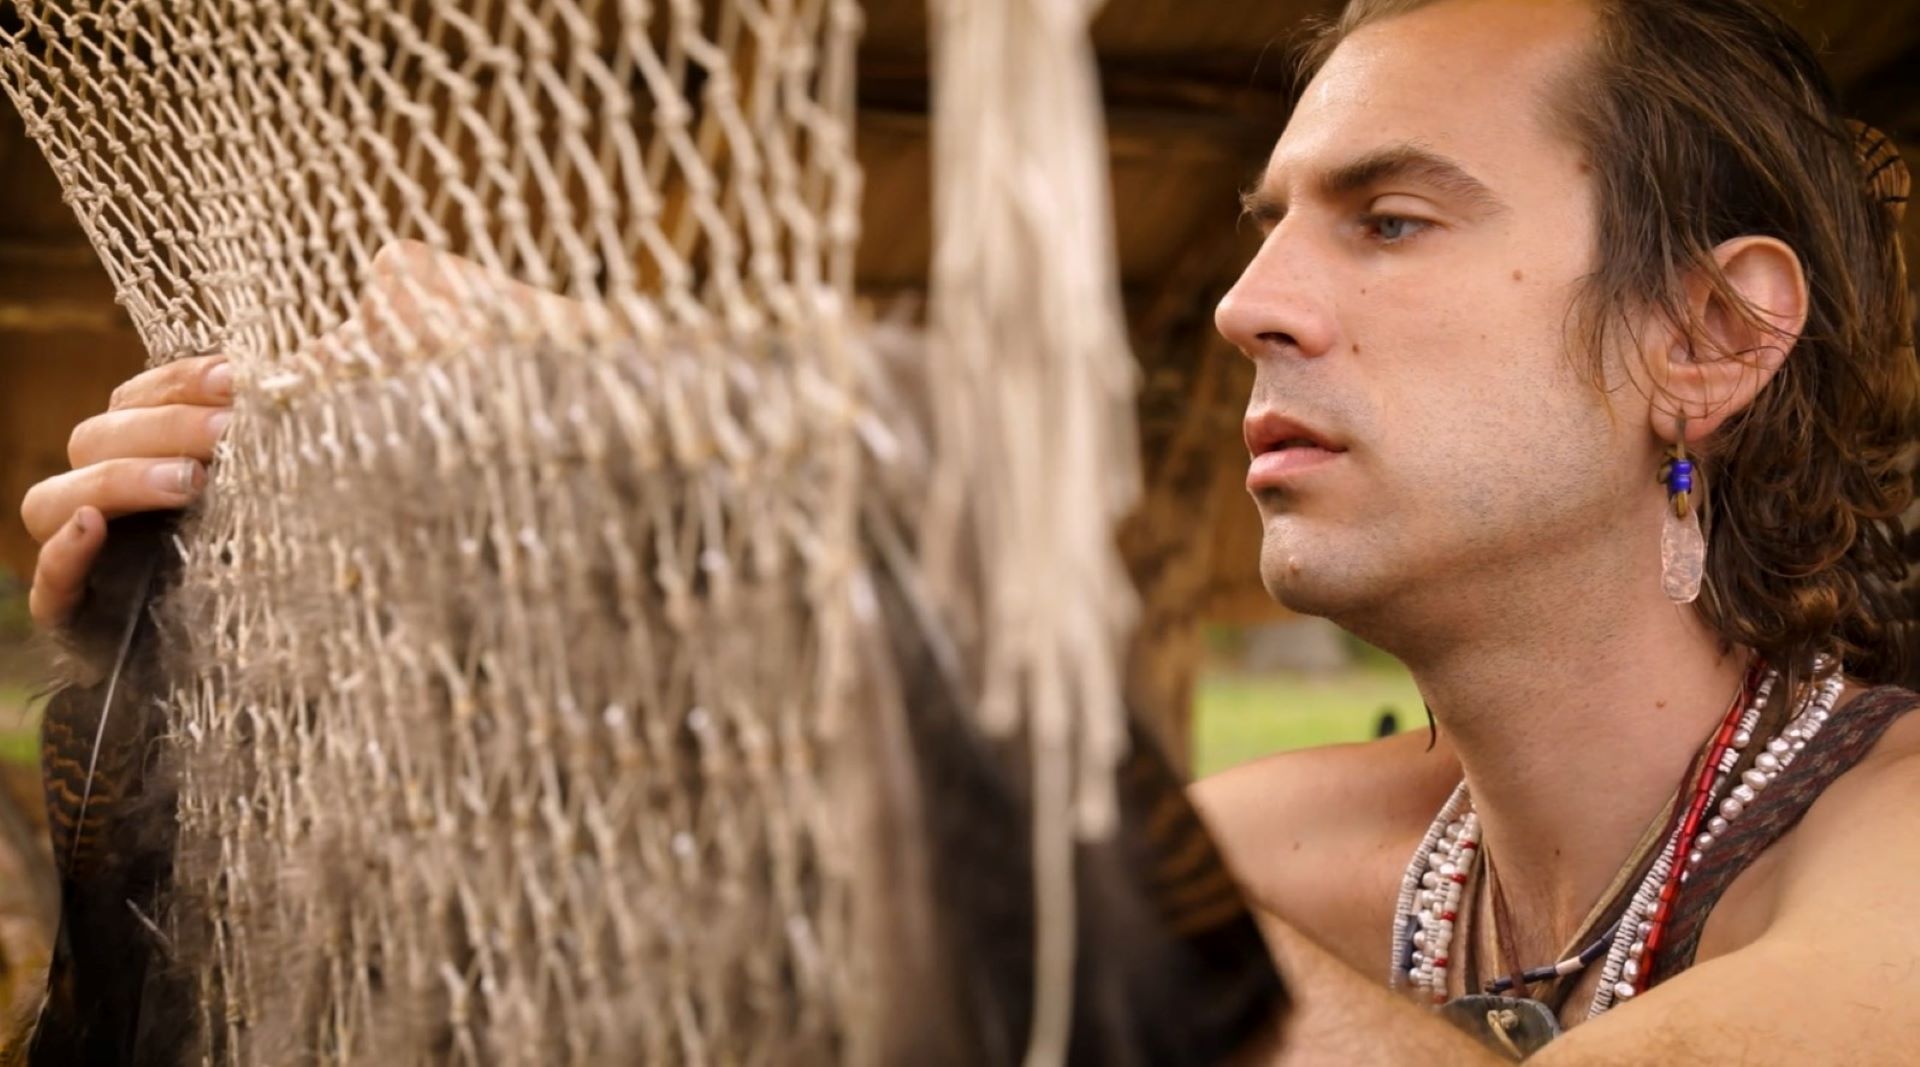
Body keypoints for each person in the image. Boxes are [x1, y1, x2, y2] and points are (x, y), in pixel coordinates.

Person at [17, 0, 1920, 1061]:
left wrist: (798, 501)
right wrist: (230, 717)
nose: (1252, 300)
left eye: (1388, 217)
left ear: (1708, 334)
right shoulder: (1270, 851)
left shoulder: (1893, 851)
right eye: (1265, 221)